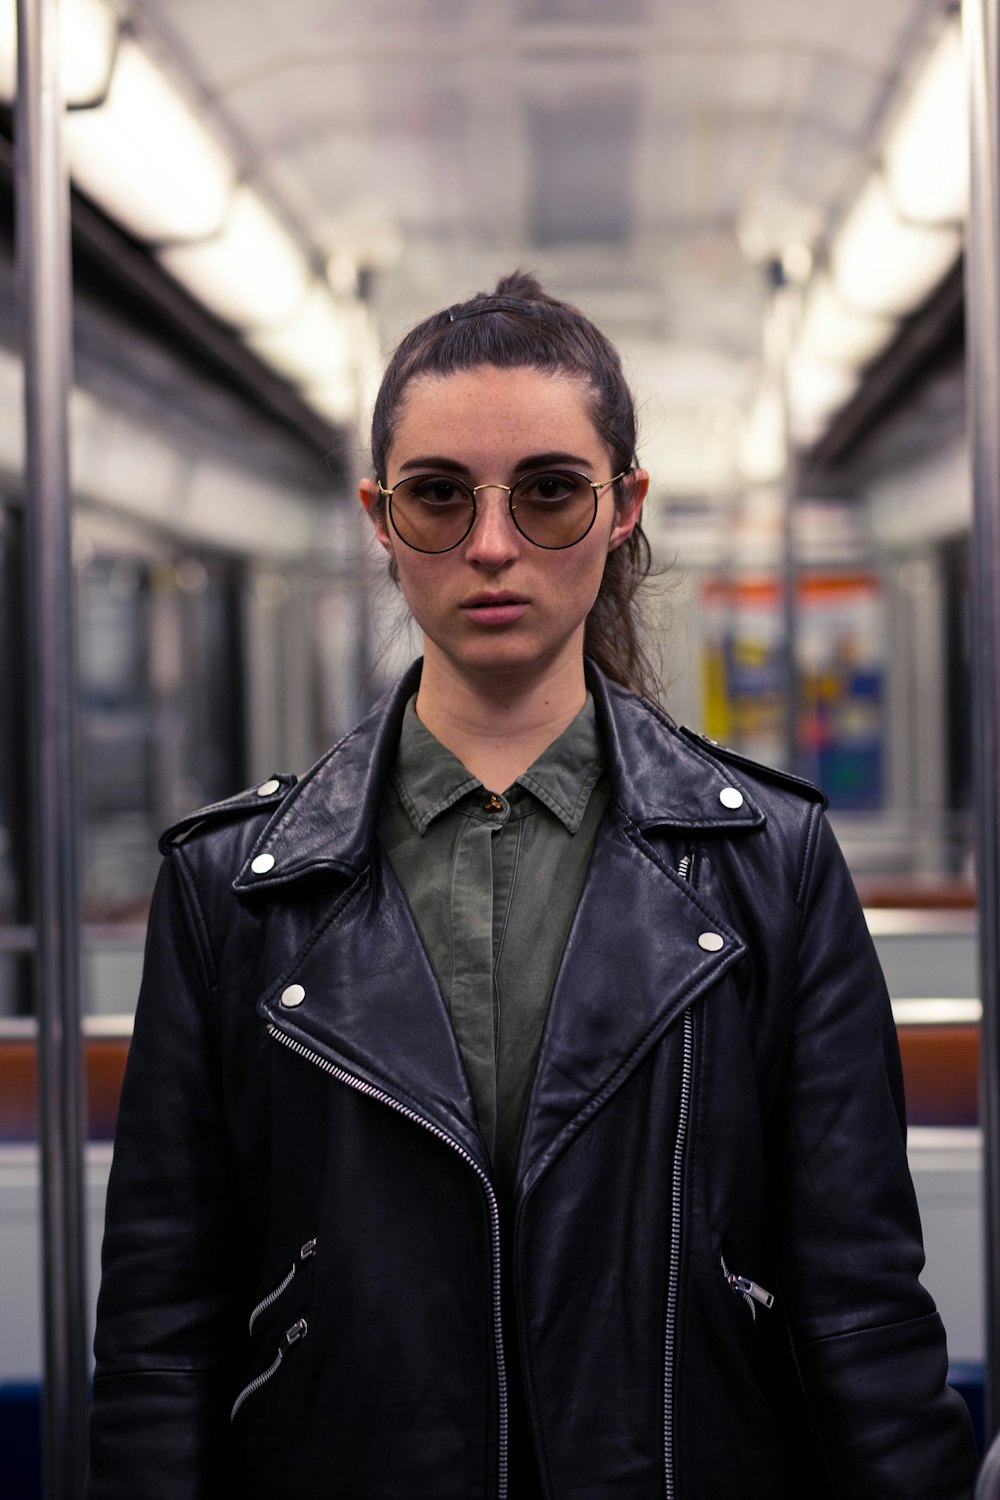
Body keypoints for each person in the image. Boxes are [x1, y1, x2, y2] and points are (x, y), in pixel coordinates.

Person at [85, 271, 979, 1499]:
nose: (492, 544)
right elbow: (161, 1334)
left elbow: (857, 1306)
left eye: (549, 492)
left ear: (624, 509)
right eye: (439, 497)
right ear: (380, 517)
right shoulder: (229, 892)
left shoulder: (772, 864)